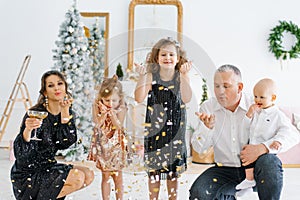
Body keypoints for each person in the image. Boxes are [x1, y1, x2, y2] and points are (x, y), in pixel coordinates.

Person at [189, 65, 300, 200]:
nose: (220, 91)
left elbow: (293, 134)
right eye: (216, 86)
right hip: (225, 170)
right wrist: (207, 128)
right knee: (199, 193)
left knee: (270, 162)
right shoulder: (208, 107)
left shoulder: (258, 103)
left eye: (226, 86)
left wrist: (263, 147)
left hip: (258, 169)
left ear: (240, 87)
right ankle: (230, 195)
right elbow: (199, 148)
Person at [10, 70, 94, 200]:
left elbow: (65, 143)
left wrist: (65, 114)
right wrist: (27, 131)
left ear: (65, 87)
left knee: (88, 174)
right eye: (50, 85)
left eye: (59, 83)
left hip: (48, 165)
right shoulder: (35, 114)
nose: (56, 88)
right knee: (78, 177)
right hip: (28, 172)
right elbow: (21, 155)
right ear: (45, 92)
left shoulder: (66, 112)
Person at [134, 37, 192, 200]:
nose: (167, 58)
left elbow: (187, 98)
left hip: (175, 130)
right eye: (163, 55)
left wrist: (185, 75)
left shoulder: (180, 76)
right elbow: (139, 98)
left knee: (172, 173)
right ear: (157, 58)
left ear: (178, 58)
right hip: (154, 130)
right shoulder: (151, 76)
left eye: (171, 55)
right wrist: (143, 76)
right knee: (154, 171)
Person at [235, 78, 293, 196]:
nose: (257, 100)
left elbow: (287, 130)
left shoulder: (278, 115)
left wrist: (278, 141)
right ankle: (249, 181)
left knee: (267, 163)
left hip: (266, 151)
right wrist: (249, 114)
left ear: (273, 98)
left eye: (261, 97)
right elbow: (244, 128)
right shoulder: (256, 112)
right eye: (255, 96)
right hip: (251, 146)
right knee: (245, 156)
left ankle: (251, 182)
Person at [87, 75, 127, 200]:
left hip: (116, 144)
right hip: (103, 144)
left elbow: (119, 126)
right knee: (105, 175)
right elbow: (97, 124)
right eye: (107, 100)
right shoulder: (97, 106)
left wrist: (113, 115)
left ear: (119, 99)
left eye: (113, 101)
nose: (110, 104)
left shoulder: (122, 107)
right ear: (101, 98)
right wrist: (103, 114)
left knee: (118, 175)